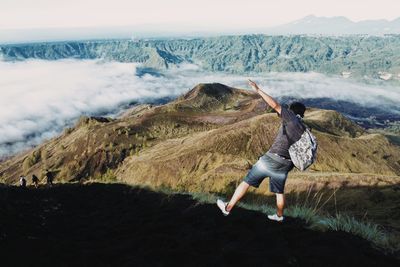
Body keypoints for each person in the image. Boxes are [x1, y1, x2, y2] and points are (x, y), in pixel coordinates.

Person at [217, 79, 306, 222]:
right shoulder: (304, 128)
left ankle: (228, 208)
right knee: (279, 192)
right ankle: (279, 216)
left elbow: (274, 104)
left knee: (246, 182)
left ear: (292, 111)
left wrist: (257, 89)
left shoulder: (290, 118)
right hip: (286, 164)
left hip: (271, 158)